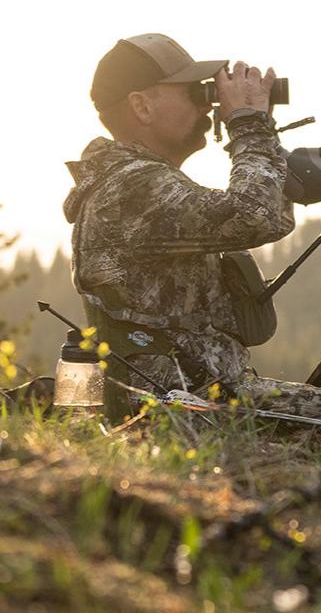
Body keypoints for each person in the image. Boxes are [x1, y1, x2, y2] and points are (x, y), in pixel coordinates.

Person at [63, 33, 295, 409]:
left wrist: (266, 145)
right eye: (194, 92)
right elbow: (255, 216)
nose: (208, 107)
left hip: (206, 395)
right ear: (142, 107)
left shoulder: (138, 180)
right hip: (185, 405)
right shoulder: (132, 186)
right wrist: (249, 125)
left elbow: (270, 217)